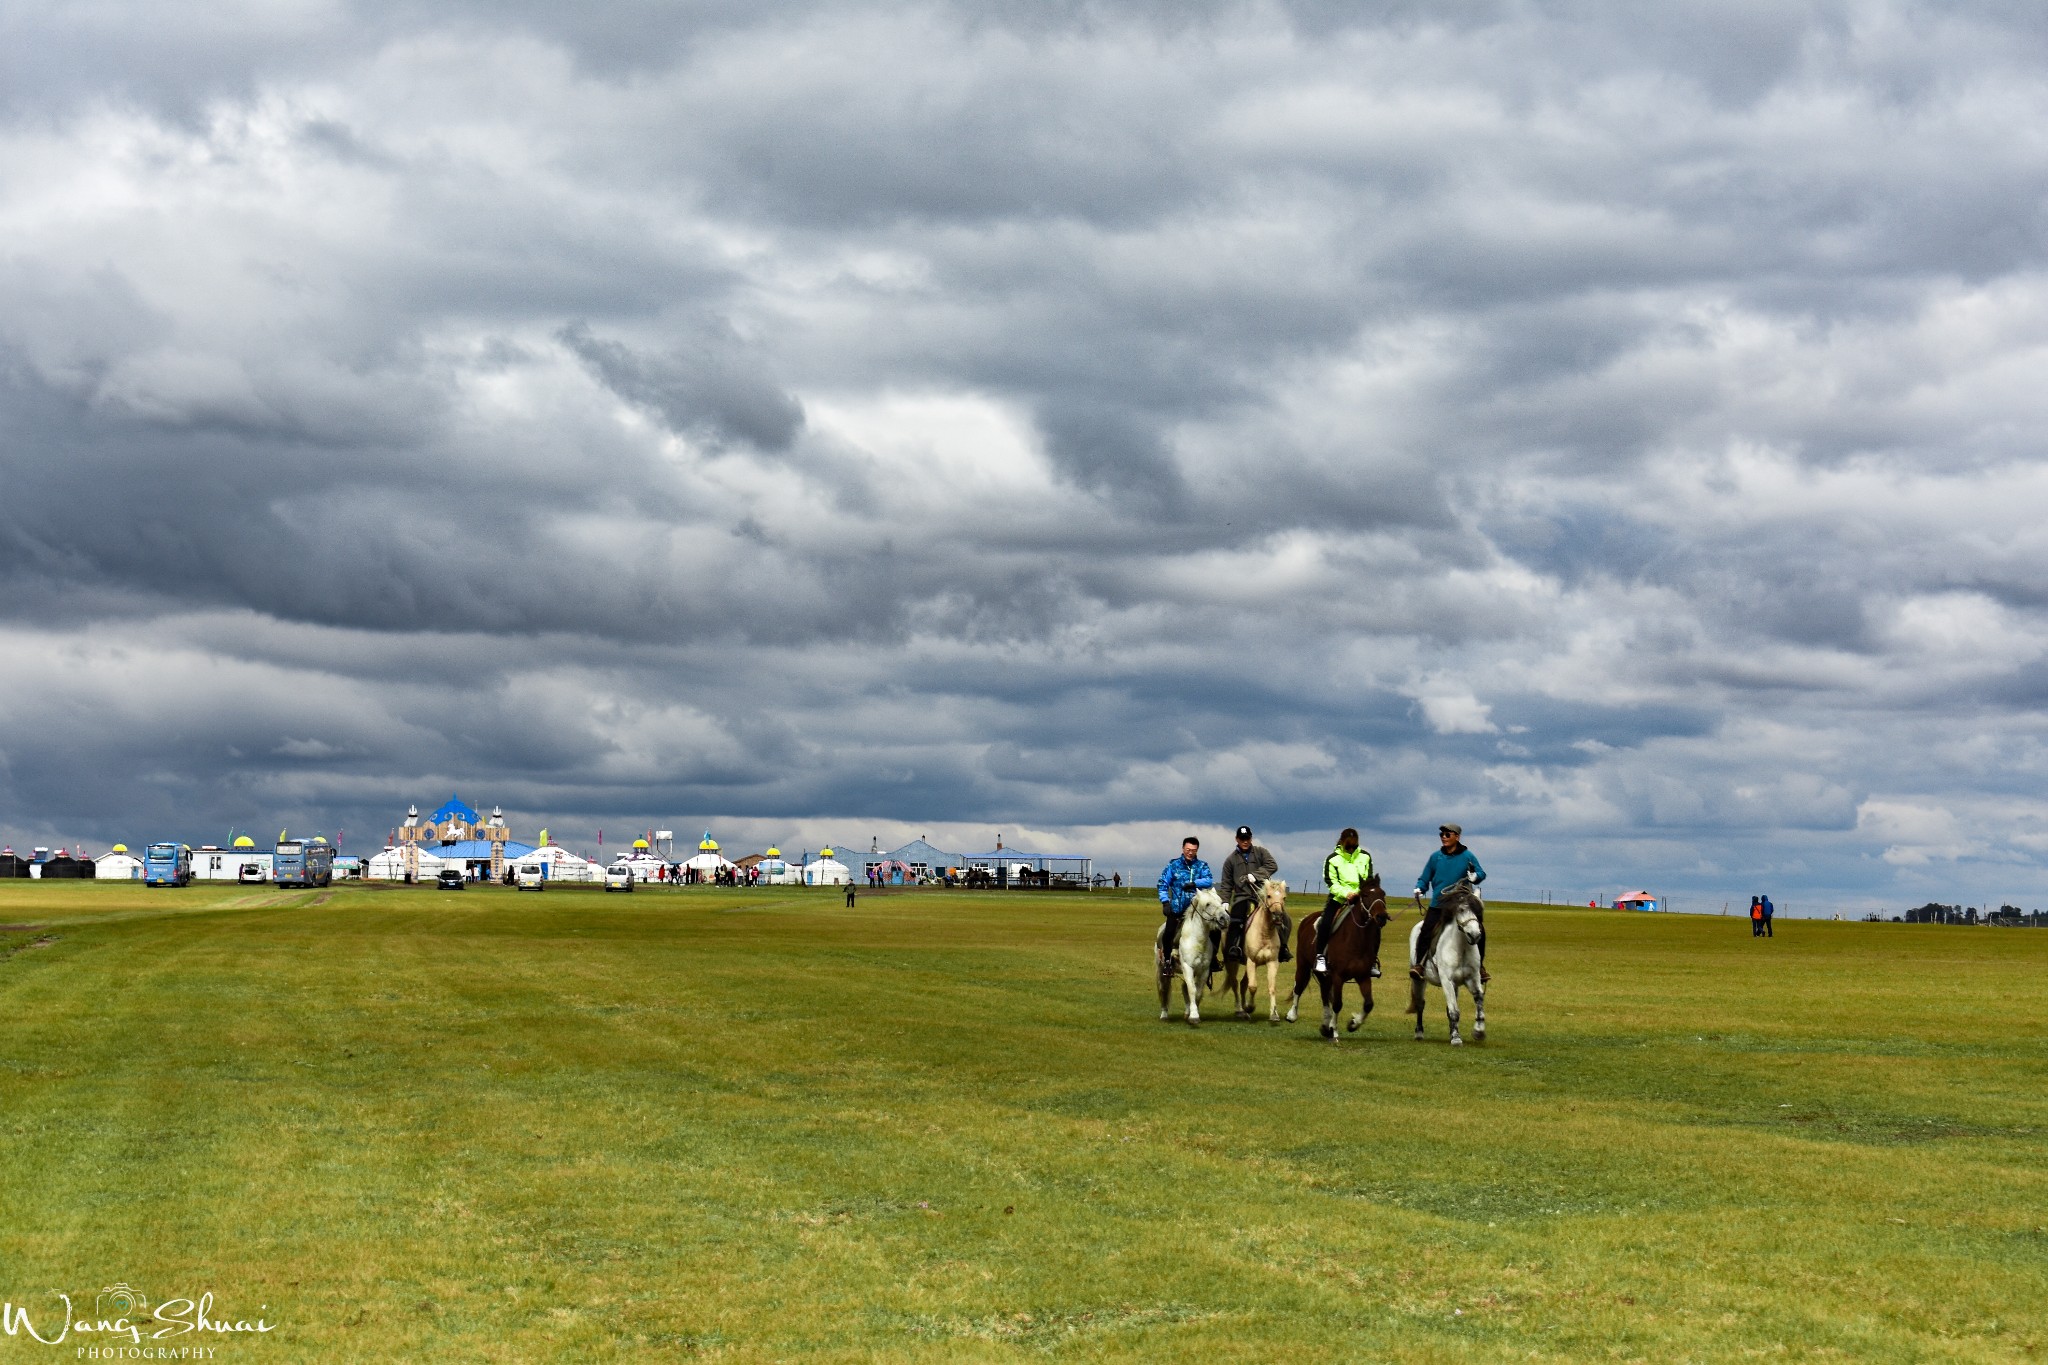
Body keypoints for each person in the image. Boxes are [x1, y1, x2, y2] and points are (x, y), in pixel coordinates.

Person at [1414, 824, 1487, 982]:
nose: (1443, 837)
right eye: (1442, 834)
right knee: (1426, 930)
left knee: (1480, 930)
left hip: (1461, 904)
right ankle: (1419, 965)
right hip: (1439, 904)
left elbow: (1481, 872)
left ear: (1457, 837)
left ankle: (1480, 968)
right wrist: (1420, 888)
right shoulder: (1435, 857)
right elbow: (1425, 877)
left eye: (1447, 834)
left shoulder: (1468, 856)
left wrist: (1475, 877)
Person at [1219, 825, 1289, 966]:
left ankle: (1283, 948)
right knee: (1236, 920)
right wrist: (1225, 901)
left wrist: (1255, 876)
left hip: (1261, 897)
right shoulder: (1230, 860)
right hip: (1241, 897)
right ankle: (1233, 948)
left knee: (1283, 918)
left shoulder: (1260, 852)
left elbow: (1272, 865)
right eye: (1242, 839)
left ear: (1251, 838)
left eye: (1248, 838)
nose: (1245, 841)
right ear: (1237, 839)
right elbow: (1226, 883)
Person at [1312, 828, 1374, 975]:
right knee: (1325, 922)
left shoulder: (1365, 857)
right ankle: (1320, 956)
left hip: (1361, 899)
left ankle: (1372, 961)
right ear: (1342, 843)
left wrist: (1359, 893)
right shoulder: (1332, 859)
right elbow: (1331, 882)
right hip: (1339, 898)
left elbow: (1369, 878)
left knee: (1374, 924)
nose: (1351, 849)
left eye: (1354, 846)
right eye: (1348, 846)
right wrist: (1346, 894)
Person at [1155, 837, 1214, 966]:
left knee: (1214, 929)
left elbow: (1209, 880)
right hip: (1177, 908)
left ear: (1197, 850)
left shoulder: (1202, 866)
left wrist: (1194, 883)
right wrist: (1165, 902)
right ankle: (1166, 960)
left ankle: (1212, 959)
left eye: (1193, 850)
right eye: (1188, 849)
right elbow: (1162, 883)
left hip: (1197, 910)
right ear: (1183, 849)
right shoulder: (1173, 865)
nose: (1190, 852)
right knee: (1169, 932)